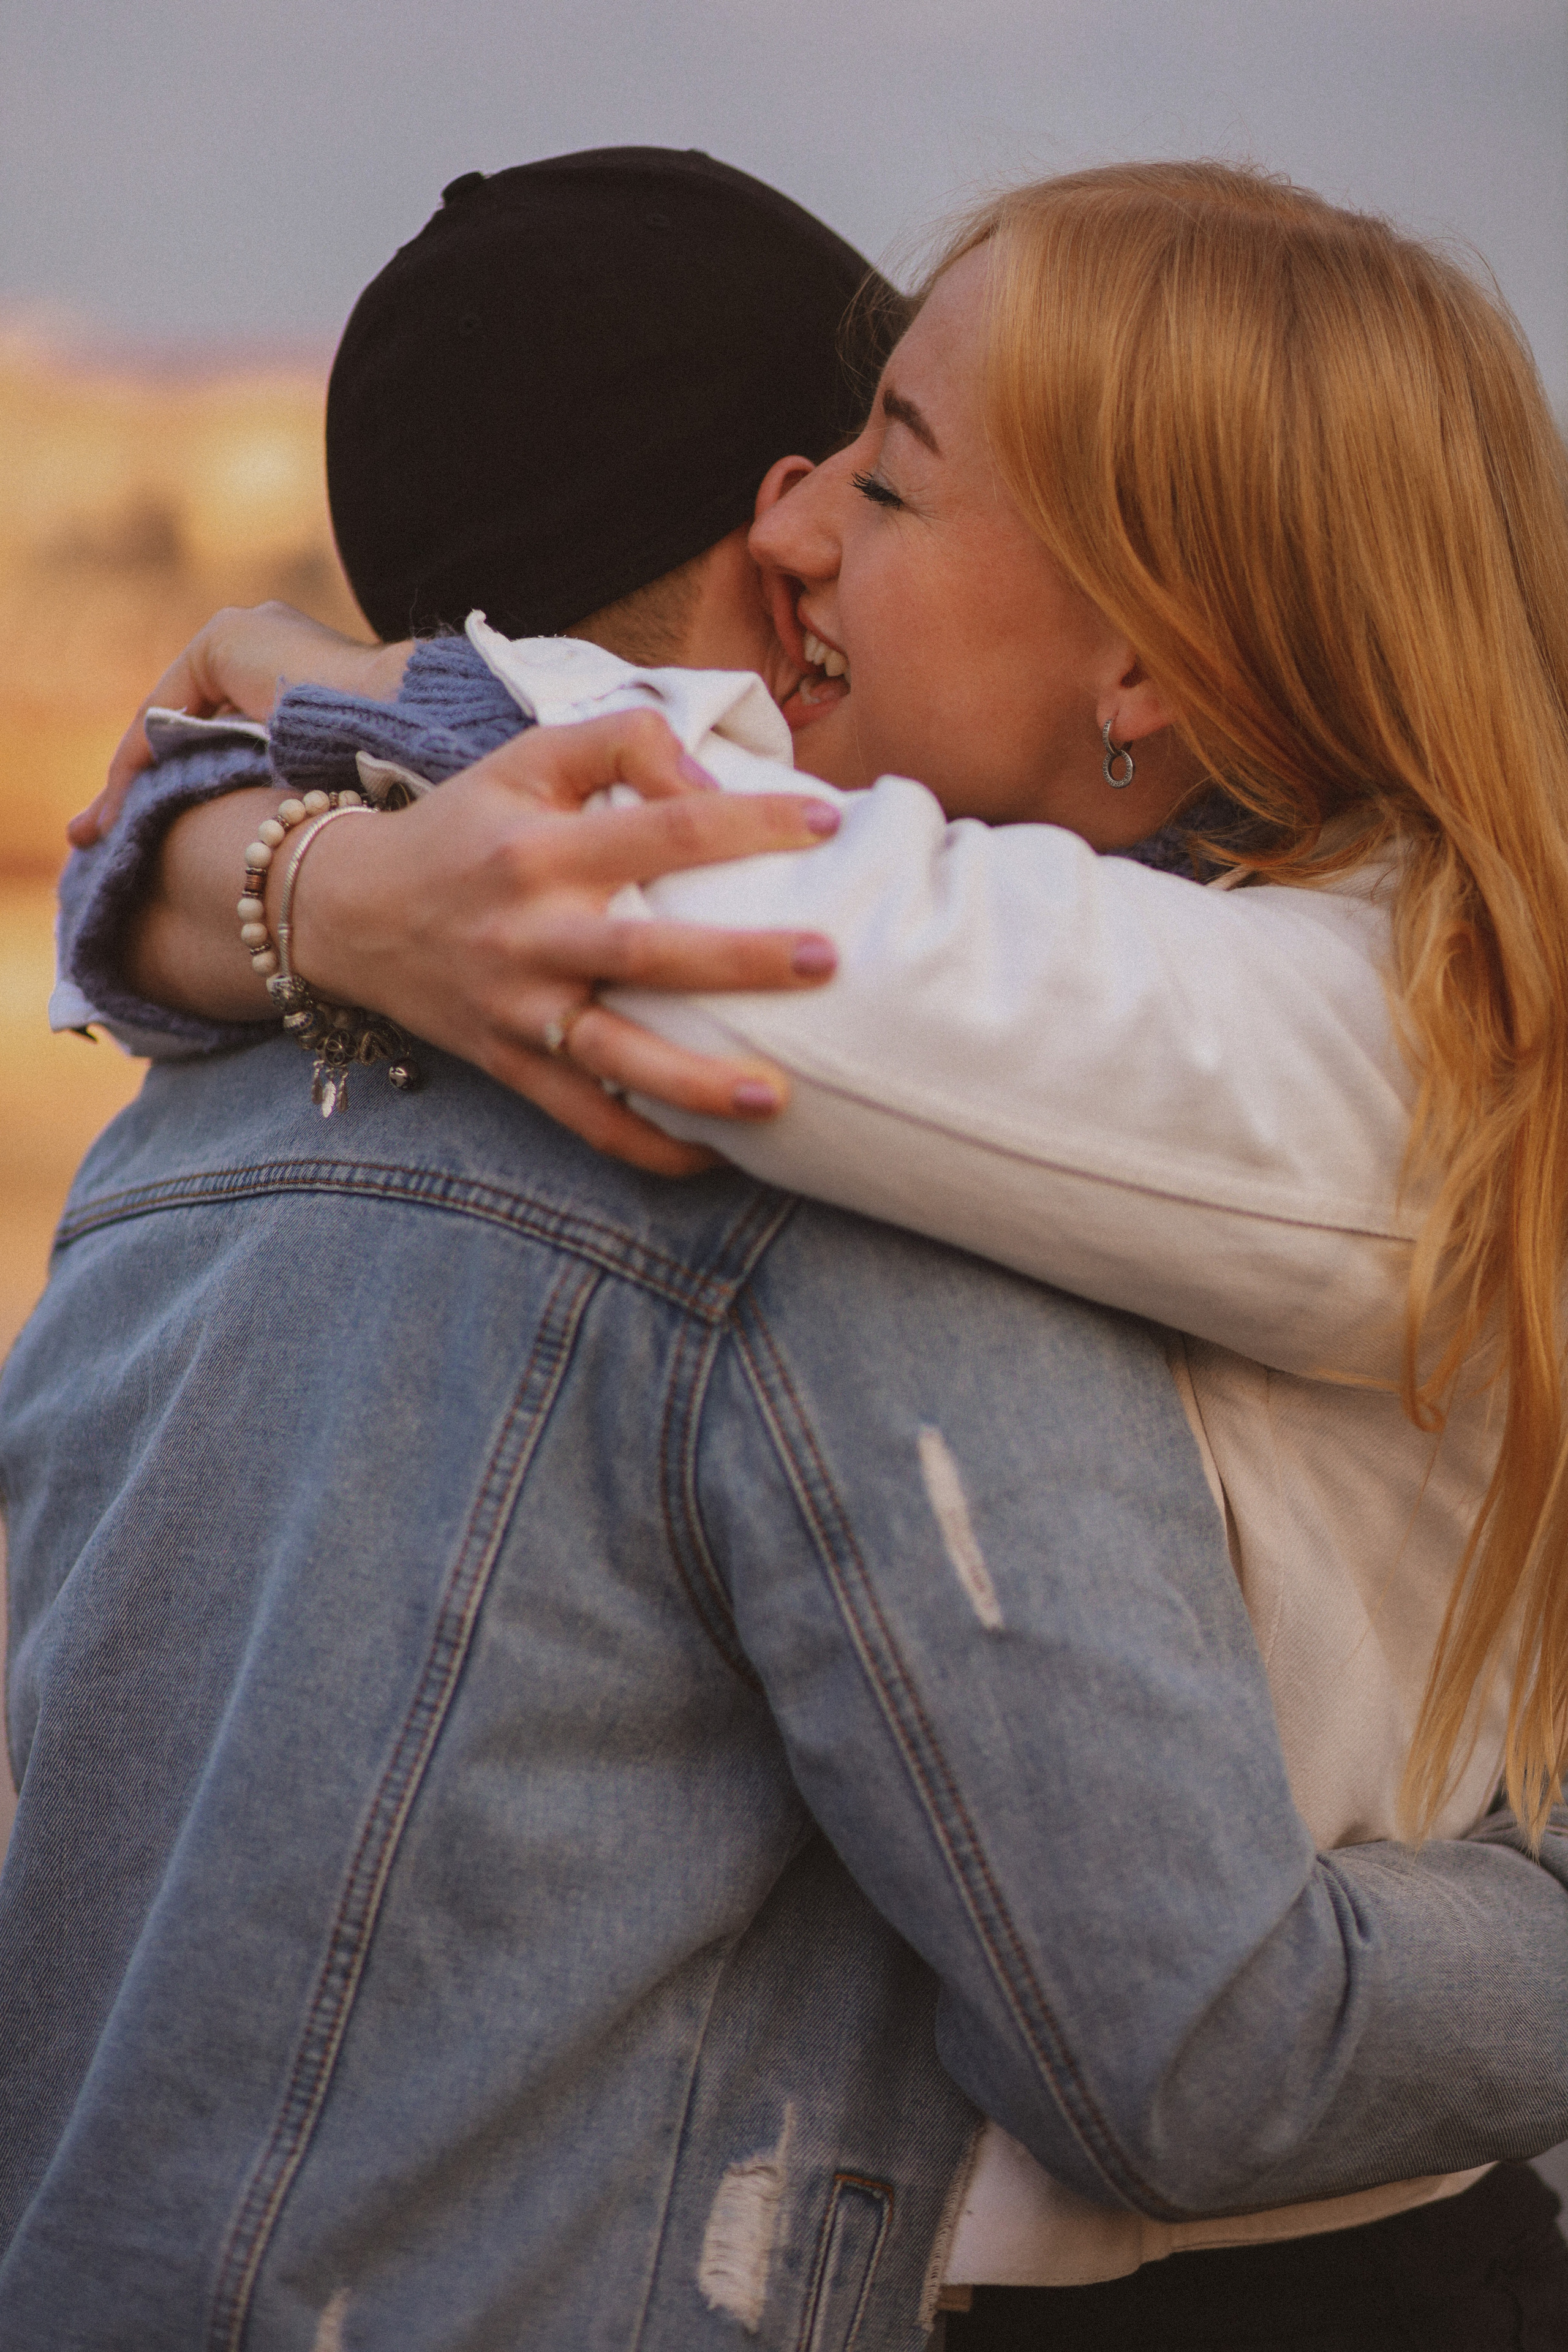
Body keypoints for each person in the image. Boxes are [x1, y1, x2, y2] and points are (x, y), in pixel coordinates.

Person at [22, 157, 1568, 2345]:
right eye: (822, 462)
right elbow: (1198, 2048)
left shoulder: (172, 1143)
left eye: (894, 479)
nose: (808, 519)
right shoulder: (825, 1165)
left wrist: (298, 791)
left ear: (1153, 654)